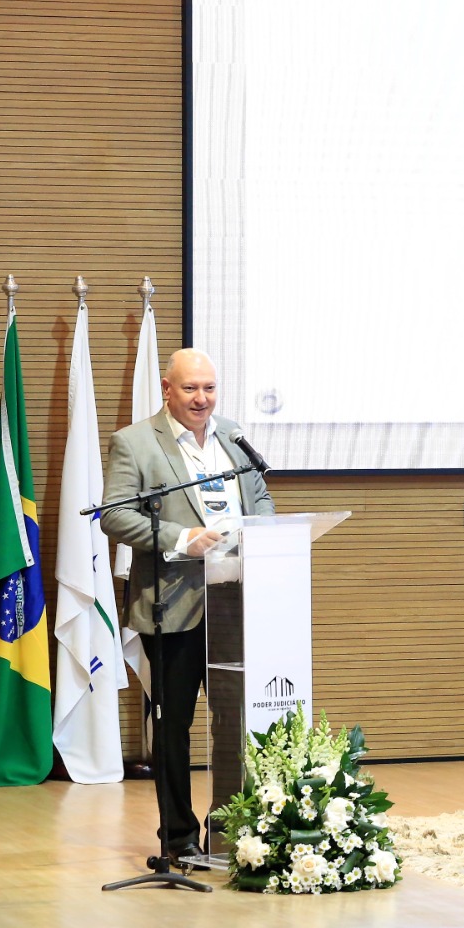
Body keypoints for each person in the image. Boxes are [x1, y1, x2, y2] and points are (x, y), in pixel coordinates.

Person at [101, 348, 274, 861]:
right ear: (167, 389)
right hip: (172, 604)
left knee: (233, 718)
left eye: (210, 388)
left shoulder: (234, 436)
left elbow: (260, 497)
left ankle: (229, 830)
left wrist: (258, 529)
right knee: (173, 725)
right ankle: (177, 838)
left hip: (232, 602)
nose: (203, 399)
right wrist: (181, 537)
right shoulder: (135, 442)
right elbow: (114, 515)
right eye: (191, 389)